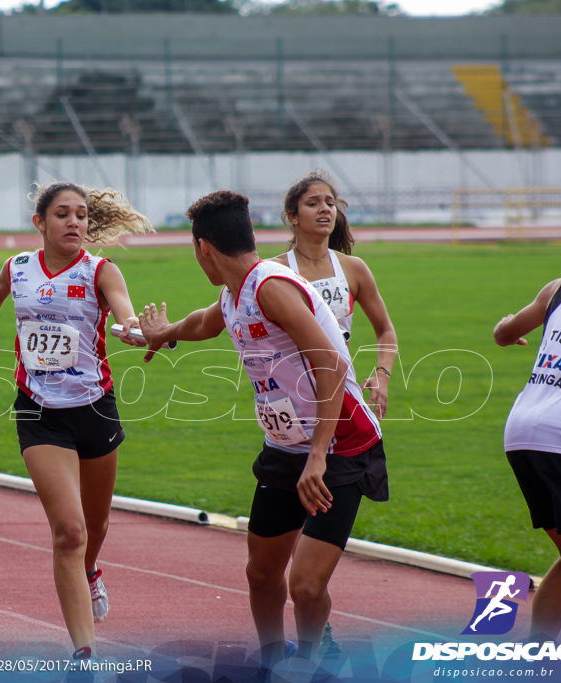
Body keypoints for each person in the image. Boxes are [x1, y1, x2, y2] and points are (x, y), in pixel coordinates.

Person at [138, 190, 387, 673]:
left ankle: (311, 663)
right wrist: (163, 332)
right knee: (261, 572)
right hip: (284, 446)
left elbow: (332, 365)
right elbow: (205, 324)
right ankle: (273, 662)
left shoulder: (271, 286)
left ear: (202, 248)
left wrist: (318, 455)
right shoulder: (235, 293)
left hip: (342, 443)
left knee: (306, 586)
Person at [0, 182, 151, 661]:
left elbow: (126, 316)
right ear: (41, 223)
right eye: (62, 214)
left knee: (95, 526)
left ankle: (91, 571)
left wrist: (139, 331)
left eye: (81, 216)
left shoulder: (101, 271)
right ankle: (84, 653)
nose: (74, 222)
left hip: (94, 408)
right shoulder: (18, 268)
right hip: (38, 412)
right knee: (69, 531)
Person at [272, 171, 398, 657]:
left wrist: (381, 376)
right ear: (292, 216)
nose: (325, 209)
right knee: (289, 554)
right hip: (289, 421)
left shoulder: (354, 269)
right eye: (312, 202)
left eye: (331, 202)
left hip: (342, 416)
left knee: (309, 566)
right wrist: (164, 333)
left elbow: (386, 332)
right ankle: (315, 632)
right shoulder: (275, 270)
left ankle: (315, 638)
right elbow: (227, 311)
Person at [494, 197, 561, 658]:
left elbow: (503, 331)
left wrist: (512, 331)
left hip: (522, 432)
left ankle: (535, 657)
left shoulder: (559, 287)